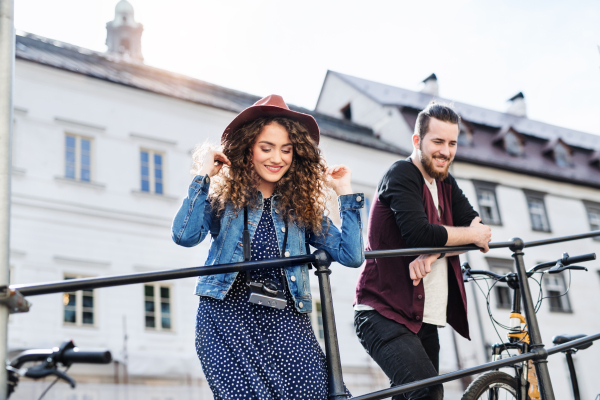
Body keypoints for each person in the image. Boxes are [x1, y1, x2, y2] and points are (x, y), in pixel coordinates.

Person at [172, 95, 365, 400]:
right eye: (267, 147)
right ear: (248, 149)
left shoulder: (302, 209)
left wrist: (344, 193)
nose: (277, 158)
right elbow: (184, 235)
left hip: (286, 321)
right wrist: (203, 176)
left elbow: (352, 256)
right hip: (226, 318)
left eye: (286, 150)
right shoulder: (225, 202)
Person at [353, 102, 492, 400]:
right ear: (417, 141)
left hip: (423, 319)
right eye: (438, 141)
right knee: (428, 393)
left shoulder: (445, 182)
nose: (446, 151)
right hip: (383, 314)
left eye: (452, 143)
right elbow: (420, 233)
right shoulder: (402, 174)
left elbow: (478, 231)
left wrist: (435, 251)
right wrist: (447, 240)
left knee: (412, 396)